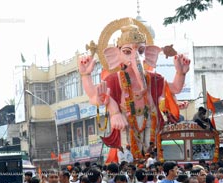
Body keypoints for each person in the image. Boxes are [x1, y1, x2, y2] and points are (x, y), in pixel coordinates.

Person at [79, 18, 190, 158]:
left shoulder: (155, 79)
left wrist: (181, 73)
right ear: (115, 55)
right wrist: (85, 75)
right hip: (126, 122)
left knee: (154, 154)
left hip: (151, 120)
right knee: (128, 155)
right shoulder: (114, 79)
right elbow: (94, 96)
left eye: (141, 51)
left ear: (149, 53)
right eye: (127, 52)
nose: (135, 56)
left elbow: (174, 88)